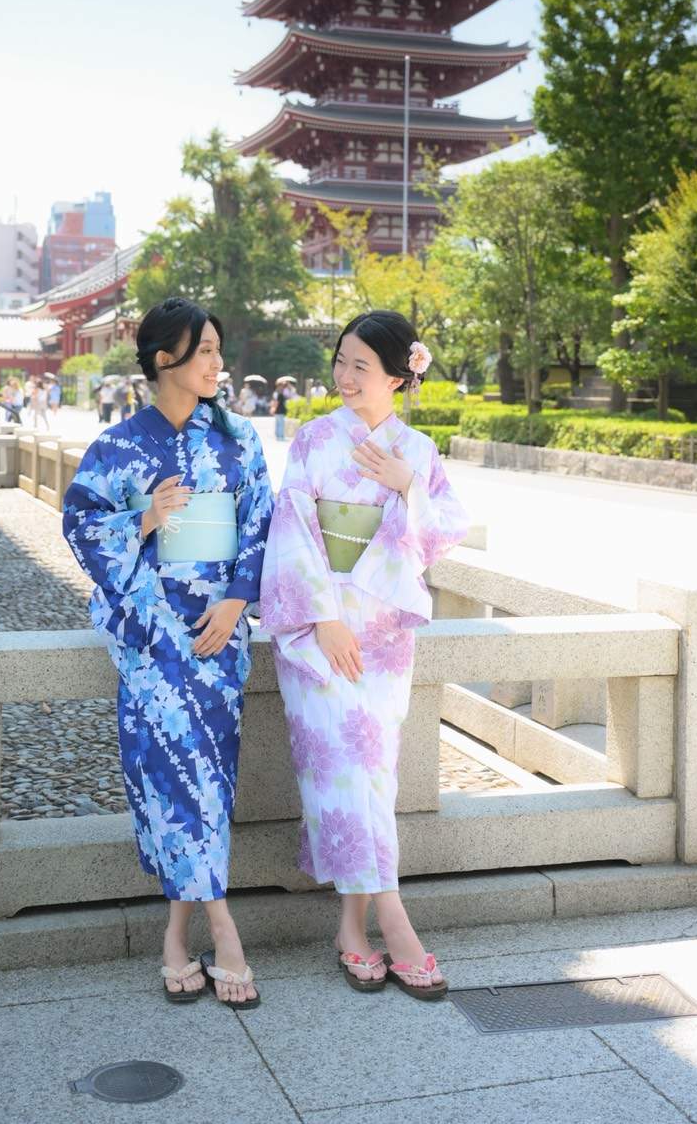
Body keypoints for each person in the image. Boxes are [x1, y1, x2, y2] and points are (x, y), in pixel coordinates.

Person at [62, 297, 273, 1007]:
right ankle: (224, 929)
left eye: (217, 349)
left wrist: (237, 601)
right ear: (163, 360)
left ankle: (177, 938)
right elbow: (81, 523)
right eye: (204, 350)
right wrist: (145, 516)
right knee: (172, 781)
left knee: (206, 781)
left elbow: (260, 524)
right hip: (153, 640)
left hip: (217, 635)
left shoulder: (238, 439)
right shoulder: (118, 446)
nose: (218, 363)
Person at [260, 311, 468, 1000]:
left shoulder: (418, 450)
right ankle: (395, 922)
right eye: (341, 361)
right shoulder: (314, 440)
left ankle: (351, 930)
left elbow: (442, 533)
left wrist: (409, 486)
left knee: (372, 777)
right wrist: (323, 617)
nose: (345, 377)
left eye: (361, 366)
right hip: (320, 635)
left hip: (382, 637)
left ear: (397, 376)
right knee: (341, 774)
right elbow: (291, 526)